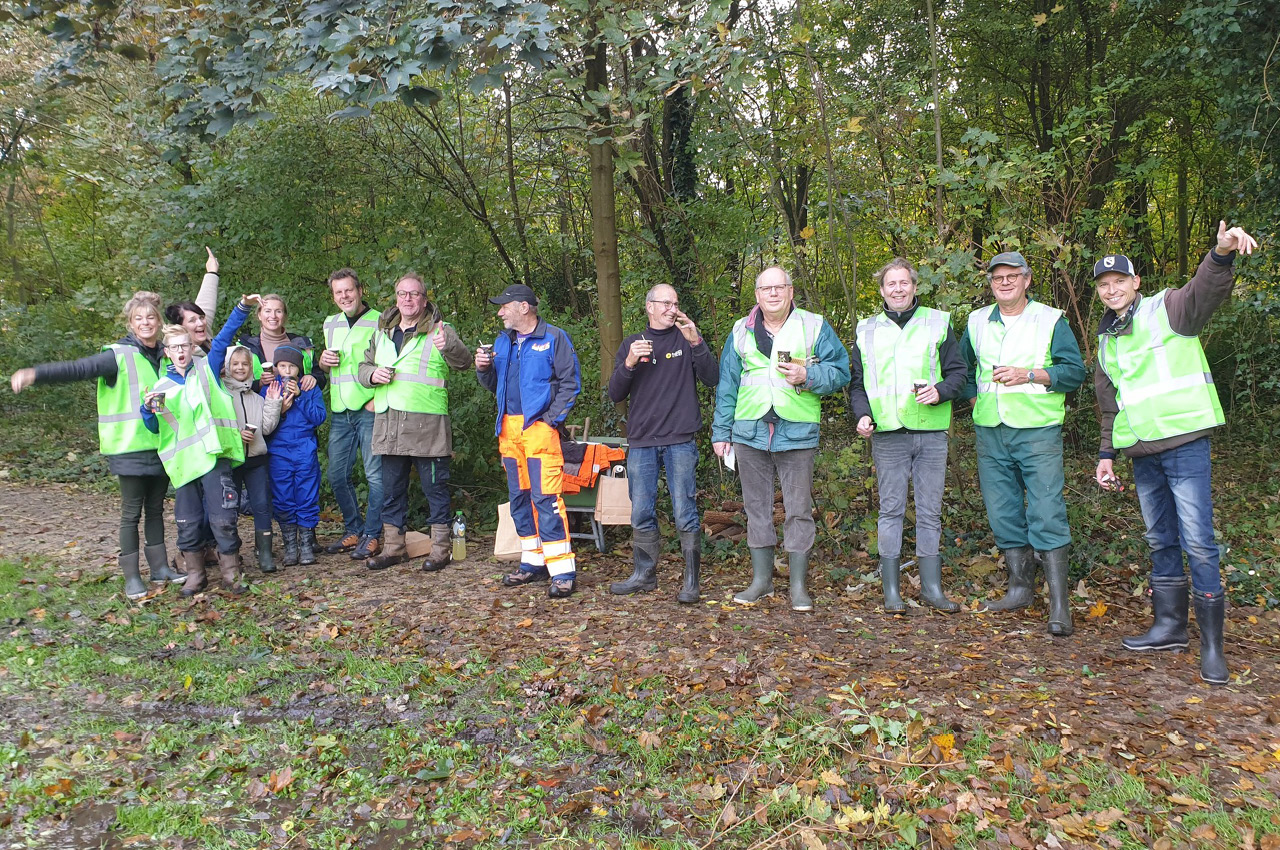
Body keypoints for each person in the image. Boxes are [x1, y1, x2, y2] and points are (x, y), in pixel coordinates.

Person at [1093, 222, 1259, 685]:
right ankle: (1169, 627)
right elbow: (1110, 405)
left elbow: (1205, 290)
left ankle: (1212, 646)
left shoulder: (1166, 309)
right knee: (1159, 539)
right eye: (1104, 285)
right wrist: (1106, 455)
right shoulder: (1106, 340)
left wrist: (1220, 254)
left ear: (1135, 282)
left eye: (1119, 281)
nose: (1112, 290)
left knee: (1199, 541)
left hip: (1184, 444)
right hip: (1141, 452)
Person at [9, 292, 184, 599]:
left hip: (161, 446)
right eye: (138, 318)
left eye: (150, 317)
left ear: (159, 322)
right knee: (131, 513)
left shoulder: (165, 355)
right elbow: (79, 369)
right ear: (130, 324)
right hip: (128, 447)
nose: (145, 323)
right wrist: (36, 374)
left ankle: (160, 568)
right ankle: (132, 577)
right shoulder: (117, 355)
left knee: (156, 510)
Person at [960, 251, 1086, 635]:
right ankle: (1019, 590)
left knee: (1047, 511)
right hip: (990, 430)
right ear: (991, 283)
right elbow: (962, 368)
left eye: (1012, 276)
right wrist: (973, 399)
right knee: (1003, 511)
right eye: (998, 277)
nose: (1005, 283)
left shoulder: (1049, 319)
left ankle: (1059, 604)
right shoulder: (977, 321)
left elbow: (1074, 372)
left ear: (1027, 280)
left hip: (1037, 431)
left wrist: (1029, 374)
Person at [711, 266, 851, 612]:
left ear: (791, 292)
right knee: (756, 508)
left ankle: (798, 586)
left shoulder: (814, 326)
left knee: (799, 510)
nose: (773, 293)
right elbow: (728, 385)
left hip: (797, 431)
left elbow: (841, 371)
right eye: (766, 288)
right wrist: (721, 432)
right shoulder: (740, 331)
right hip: (749, 431)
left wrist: (808, 375)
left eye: (779, 287)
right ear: (757, 295)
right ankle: (761, 581)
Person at [850, 258, 967, 613]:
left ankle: (932, 589)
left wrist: (941, 391)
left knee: (930, 512)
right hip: (887, 434)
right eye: (891, 284)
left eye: (904, 282)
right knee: (891, 511)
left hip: (930, 432)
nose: (898, 289)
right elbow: (857, 384)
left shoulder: (938, 322)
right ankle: (892, 592)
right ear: (882, 290)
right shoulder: (866, 329)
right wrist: (862, 415)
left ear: (915, 286)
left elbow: (959, 373)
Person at [607, 284, 719, 603]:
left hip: (680, 440)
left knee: (685, 511)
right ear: (650, 307)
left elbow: (712, 378)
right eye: (666, 303)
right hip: (642, 441)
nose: (672, 309)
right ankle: (644, 575)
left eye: (675, 303)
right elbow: (615, 394)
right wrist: (629, 362)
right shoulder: (632, 344)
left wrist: (696, 341)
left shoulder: (686, 340)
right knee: (641, 511)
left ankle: (691, 582)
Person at [142, 296, 259, 596]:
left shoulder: (207, 371)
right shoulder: (161, 389)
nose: (181, 351)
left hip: (214, 457)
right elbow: (156, 429)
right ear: (167, 352)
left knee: (223, 518)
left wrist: (243, 308)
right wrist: (147, 411)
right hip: (184, 465)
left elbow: (223, 338)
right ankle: (195, 575)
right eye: (175, 348)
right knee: (188, 521)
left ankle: (232, 573)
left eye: (185, 346)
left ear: (191, 346)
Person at [357, 273, 472, 572]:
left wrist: (448, 345)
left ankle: (441, 550)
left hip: (428, 425)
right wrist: (372, 375)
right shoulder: (382, 330)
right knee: (391, 491)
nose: (407, 299)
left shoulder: (440, 329)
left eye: (414, 294)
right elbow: (363, 367)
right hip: (389, 424)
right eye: (402, 294)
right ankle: (394, 549)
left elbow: (464, 362)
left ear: (424, 299)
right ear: (396, 298)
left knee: (435, 489)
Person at [475, 284, 582, 598]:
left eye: (504, 306)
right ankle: (532, 563)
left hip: (539, 431)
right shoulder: (502, 341)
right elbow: (495, 385)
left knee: (546, 499)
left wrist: (550, 420)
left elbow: (570, 383)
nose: (500, 312)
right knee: (519, 499)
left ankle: (562, 572)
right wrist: (483, 369)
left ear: (523, 307)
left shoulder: (554, 338)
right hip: (509, 431)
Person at [318, 269, 385, 560]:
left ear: (360, 290)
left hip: (369, 408)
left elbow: (391, 364)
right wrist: (322, 362)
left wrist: (377, 400)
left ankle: (372, 534)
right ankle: (353, 529)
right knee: (336, 475)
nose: (344, 296)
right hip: (340, 409)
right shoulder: (330, 323)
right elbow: (328, 366)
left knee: (375, 476)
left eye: (349, 290)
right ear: (333, 296)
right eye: (338, 292)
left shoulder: (380, 321)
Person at [262, 345, 327, 566]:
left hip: (304, 449)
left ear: (299, 368)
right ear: (276, 367)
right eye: (282, 366)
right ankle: (290, 545)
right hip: (278, 452)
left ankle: (306, 545)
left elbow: (319, 417)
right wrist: (279, 408)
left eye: (292, 366)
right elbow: (263, 423)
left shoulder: (309, 388)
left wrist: (300, 398)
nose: (287, 370)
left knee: (307, 495)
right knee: (283, 497)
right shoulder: (269, 388)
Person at [223, 345, 282, 572]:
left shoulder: (257, 398)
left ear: (251, 367)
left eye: (245, 364)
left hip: (256, 460)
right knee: (230, 508)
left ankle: (264, 552)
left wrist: (273, 403)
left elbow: (266, 428)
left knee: (262, 505)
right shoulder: (222, 396)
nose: (240, 368)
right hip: (231, 461)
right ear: (227, 366)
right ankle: (230, 553)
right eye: (235, 364)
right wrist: (236, 435)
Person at [236, 294, 326, 391]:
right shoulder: (246, 347)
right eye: (267, 311)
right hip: (261, 400)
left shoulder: (302, 344)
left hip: (301, 400)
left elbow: (321, 378)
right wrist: (260, 383)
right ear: (259, 315)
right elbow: (236, 385)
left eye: (278, 311)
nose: (273, 316)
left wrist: (313, 378)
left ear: (284, 316)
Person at [165, 247, 223, 358]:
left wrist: (212, 272)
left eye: (201, 318)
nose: (200, 323)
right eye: (192, 321)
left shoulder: (203, 334)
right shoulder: (180, 357)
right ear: (180, 328)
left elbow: (206, 301)